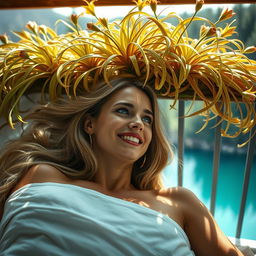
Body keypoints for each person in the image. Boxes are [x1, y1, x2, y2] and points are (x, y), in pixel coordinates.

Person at [0, 77, 244, 256]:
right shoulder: (43, 175)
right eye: (123, 111)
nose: (137, 123)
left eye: (146, 119)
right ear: (89, 124)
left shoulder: (179, 203)